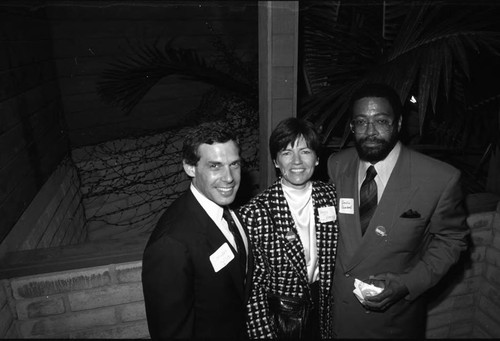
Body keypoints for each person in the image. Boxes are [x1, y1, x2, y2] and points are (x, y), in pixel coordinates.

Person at [327, 83, 469, 338]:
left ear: (398, 123)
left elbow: (452, 240)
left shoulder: (439, 178)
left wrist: (407, 284)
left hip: (392, 321)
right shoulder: (337, 165)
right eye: (361, 122)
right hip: (336, 316)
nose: (370, 131)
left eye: (381, 121)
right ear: (351, 127)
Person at [142, 121, 252, 339]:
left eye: (234, 164)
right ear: (190, 168)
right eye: (215, 166)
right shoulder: (171, 244)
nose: (229, 178)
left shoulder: (226, 208)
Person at [239, 117, 338, 339]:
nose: (297, 161)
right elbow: (254, 288)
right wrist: (263, 335)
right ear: (275, 161)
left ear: (317, 158)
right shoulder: (255, 213)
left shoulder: (332, 197)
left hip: (327, 309)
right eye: (286, 153)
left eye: (305, 151)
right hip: (283, 318)